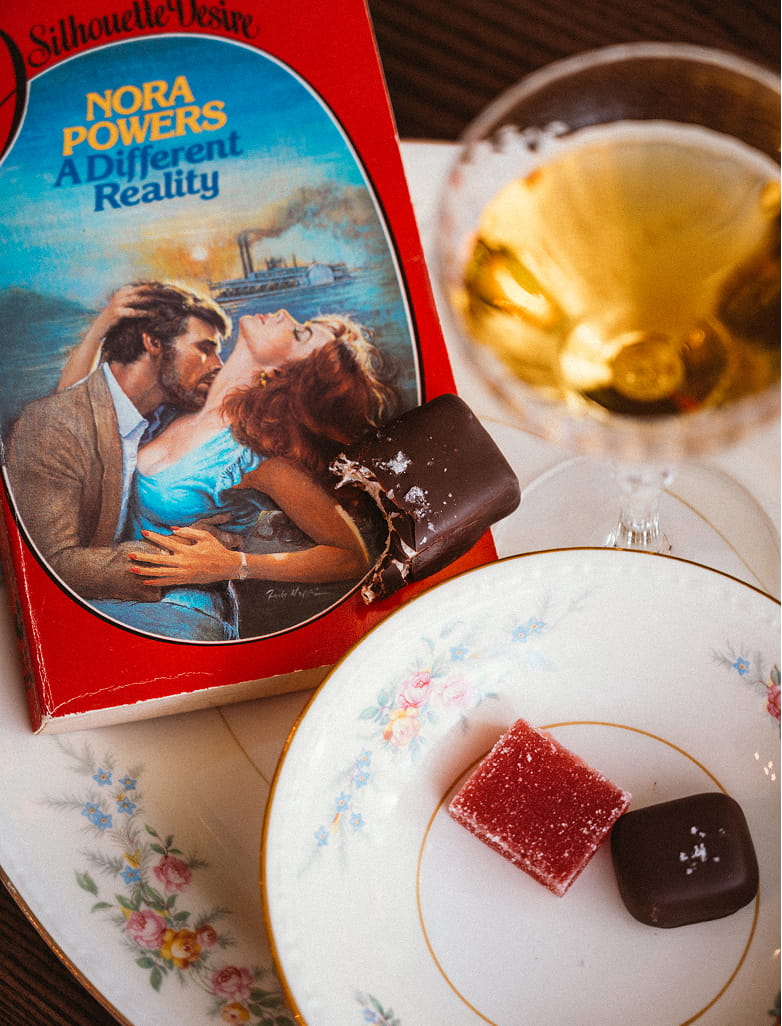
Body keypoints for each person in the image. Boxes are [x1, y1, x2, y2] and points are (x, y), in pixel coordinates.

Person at [90, 306, 401, 641]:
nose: (283, 313)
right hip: (117, 595)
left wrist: (235, 564)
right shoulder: (179, 402)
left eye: (299, 333)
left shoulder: (255, 453)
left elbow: (351, 556)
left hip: (179, 617)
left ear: (291, 372)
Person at [4, 281, 229, 602]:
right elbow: (48, 562)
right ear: (153, 342)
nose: (218, 364)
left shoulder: (158, 422)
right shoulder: (54, 426)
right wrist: (176, 558)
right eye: (205, 349)